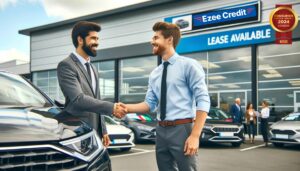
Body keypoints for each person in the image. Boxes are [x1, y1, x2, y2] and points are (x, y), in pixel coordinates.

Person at [124, 21, 210, 171]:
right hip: (161, 130)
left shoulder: (188, 65)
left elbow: (203, 99)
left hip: (182, 129)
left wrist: (195, 136)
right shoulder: (155, 73)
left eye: (156, 37)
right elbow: (149, 104)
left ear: (169, 40)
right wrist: (125, 108)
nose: (152, 41)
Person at [57, 21, 127, 147]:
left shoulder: (93, 68)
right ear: (80, 39)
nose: (97, 42)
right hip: (77, 132)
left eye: (97, 38)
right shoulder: (66, 65)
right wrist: (112, 107)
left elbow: (96, 100)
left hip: (96, 133)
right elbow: (78, 99)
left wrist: (103, 130)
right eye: (93, 38)